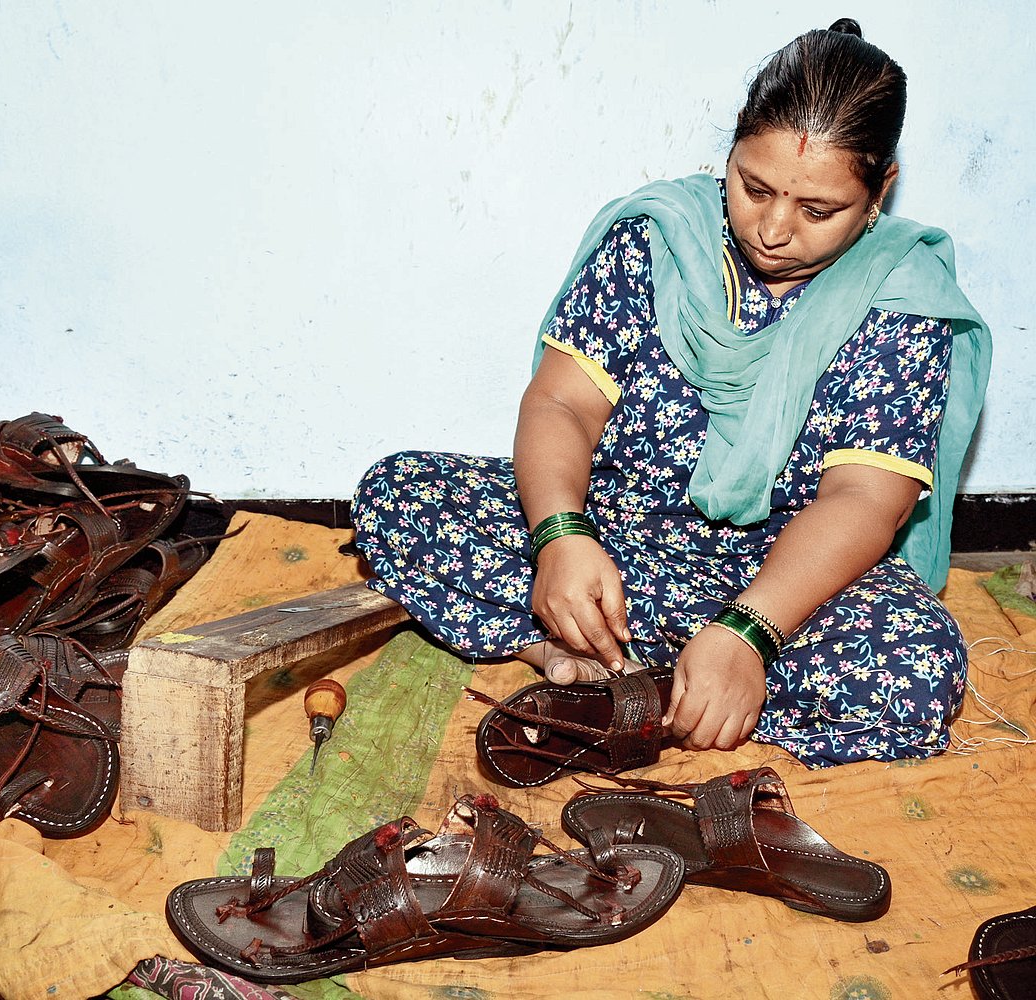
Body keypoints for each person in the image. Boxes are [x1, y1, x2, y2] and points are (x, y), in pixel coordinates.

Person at [351, 19, 990, 767]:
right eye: (754, 188)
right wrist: (561, 535)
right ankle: (590, 656)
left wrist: (749, 634)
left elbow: (861, 503)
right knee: (401, 491)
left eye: (818, 210)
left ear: (879, 188)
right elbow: (562, 404)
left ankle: (629, 679)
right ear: (730, 154)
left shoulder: (902, 300)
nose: (775, 228)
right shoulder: (656, 240)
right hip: (621, 538)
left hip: (788, 578)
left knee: (916, 667)